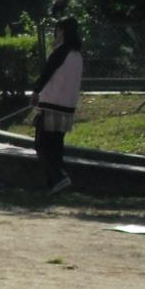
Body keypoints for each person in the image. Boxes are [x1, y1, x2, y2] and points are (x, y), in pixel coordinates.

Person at [31, 17, 84, 193]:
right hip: (67, 106)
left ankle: (58, 177)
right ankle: (54, 183)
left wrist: (36, 91)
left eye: (56, 30)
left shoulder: (60, 51)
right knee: (55, 146)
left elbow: (47, 72)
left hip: (51, 104)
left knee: (41, 144)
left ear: (61, 30)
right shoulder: (77, 54)